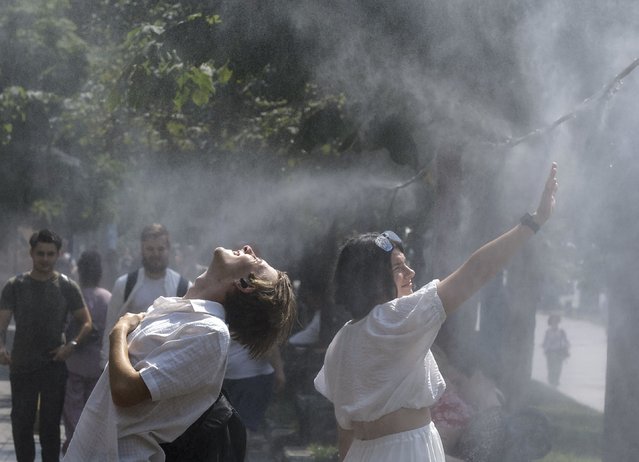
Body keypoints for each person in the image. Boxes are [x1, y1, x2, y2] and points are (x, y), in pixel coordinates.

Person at [314, 163, 558, 461]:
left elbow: (346, 432)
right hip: (408, 451)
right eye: (397, 267)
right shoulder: (397, 317)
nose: (410, 272)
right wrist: (533, 223)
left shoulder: (341, 341)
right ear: (372, 280)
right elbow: (475, 272)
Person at [63, 244, 296, 461]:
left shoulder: (210, 333)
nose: (247, 249)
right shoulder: (182, 310)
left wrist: (119, 332)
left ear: (246, 284)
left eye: (256, 261)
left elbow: (125, 391)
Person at [0, 229, 93, 462]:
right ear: (31, 253)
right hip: (22, 366)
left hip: (54, 366)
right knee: (21, 426)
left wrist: (71, 345)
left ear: (58, 255)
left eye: (50, 254)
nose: (45, 259)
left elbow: (86, 322)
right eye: (40, 253)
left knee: (51, 428)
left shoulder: (66, 286)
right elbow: (1, 324)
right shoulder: (15, 285)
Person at [101, 224, 191, 367]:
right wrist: (106, 364)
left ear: (168, 250)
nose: (155, 254)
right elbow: (111, 327)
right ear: (142, 250)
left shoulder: (184, 287)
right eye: (150, 249)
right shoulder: (124, 284)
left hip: (168, 367)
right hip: (128, 366)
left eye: (160, 249)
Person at [62, 250, 111, 453]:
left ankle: (75, 443)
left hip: (72, 362)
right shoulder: (108, 297)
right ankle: (91, 445)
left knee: (73, 406)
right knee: (94, 408)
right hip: (98, 364)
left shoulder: (74, 297)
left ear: (80, 272)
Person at [223, 341, 286, 434]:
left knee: (232, 423)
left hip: (227, 376)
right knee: (244, 423)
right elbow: (270, 345)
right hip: (253, 376)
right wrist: (279, 371)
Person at [542, 313, 570, 387]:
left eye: (556, 321)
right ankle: (551, 385)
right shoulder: (547, 332)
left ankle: (555, 385)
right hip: (550, 354)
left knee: (558, 370)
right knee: (550, 370)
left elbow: (567, 342)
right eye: (552, 322)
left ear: (558, 322)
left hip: (559, 354)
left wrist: (565, 350)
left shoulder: (562, 332)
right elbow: (544, 343)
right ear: (550, 323)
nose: (554, 323)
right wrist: (545, 349)